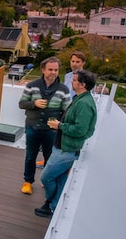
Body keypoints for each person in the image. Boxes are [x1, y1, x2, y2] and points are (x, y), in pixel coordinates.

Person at [35, 69, 98, 218]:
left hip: (67, 150)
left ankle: (50, 201)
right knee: (61, 179)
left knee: (46, 177)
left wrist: (60, 126)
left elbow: (81, 130)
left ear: (82, 84)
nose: (72, 82)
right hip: (63, 147)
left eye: (75, 80)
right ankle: (53, 207)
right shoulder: (80, 99)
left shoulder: (84, 104)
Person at [18, 57, 70, 195]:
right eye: (50, 69)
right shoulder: (32, 85)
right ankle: (28, 182)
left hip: (51, 131)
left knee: (49, 156)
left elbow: (66, 111)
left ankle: (45, 180)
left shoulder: (64, 89)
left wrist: (59, 124)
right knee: (30, 156)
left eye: (56, 70)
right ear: (43, 70)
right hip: (32, 127)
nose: (53, 72)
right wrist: (33, 104)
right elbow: (21, 103)